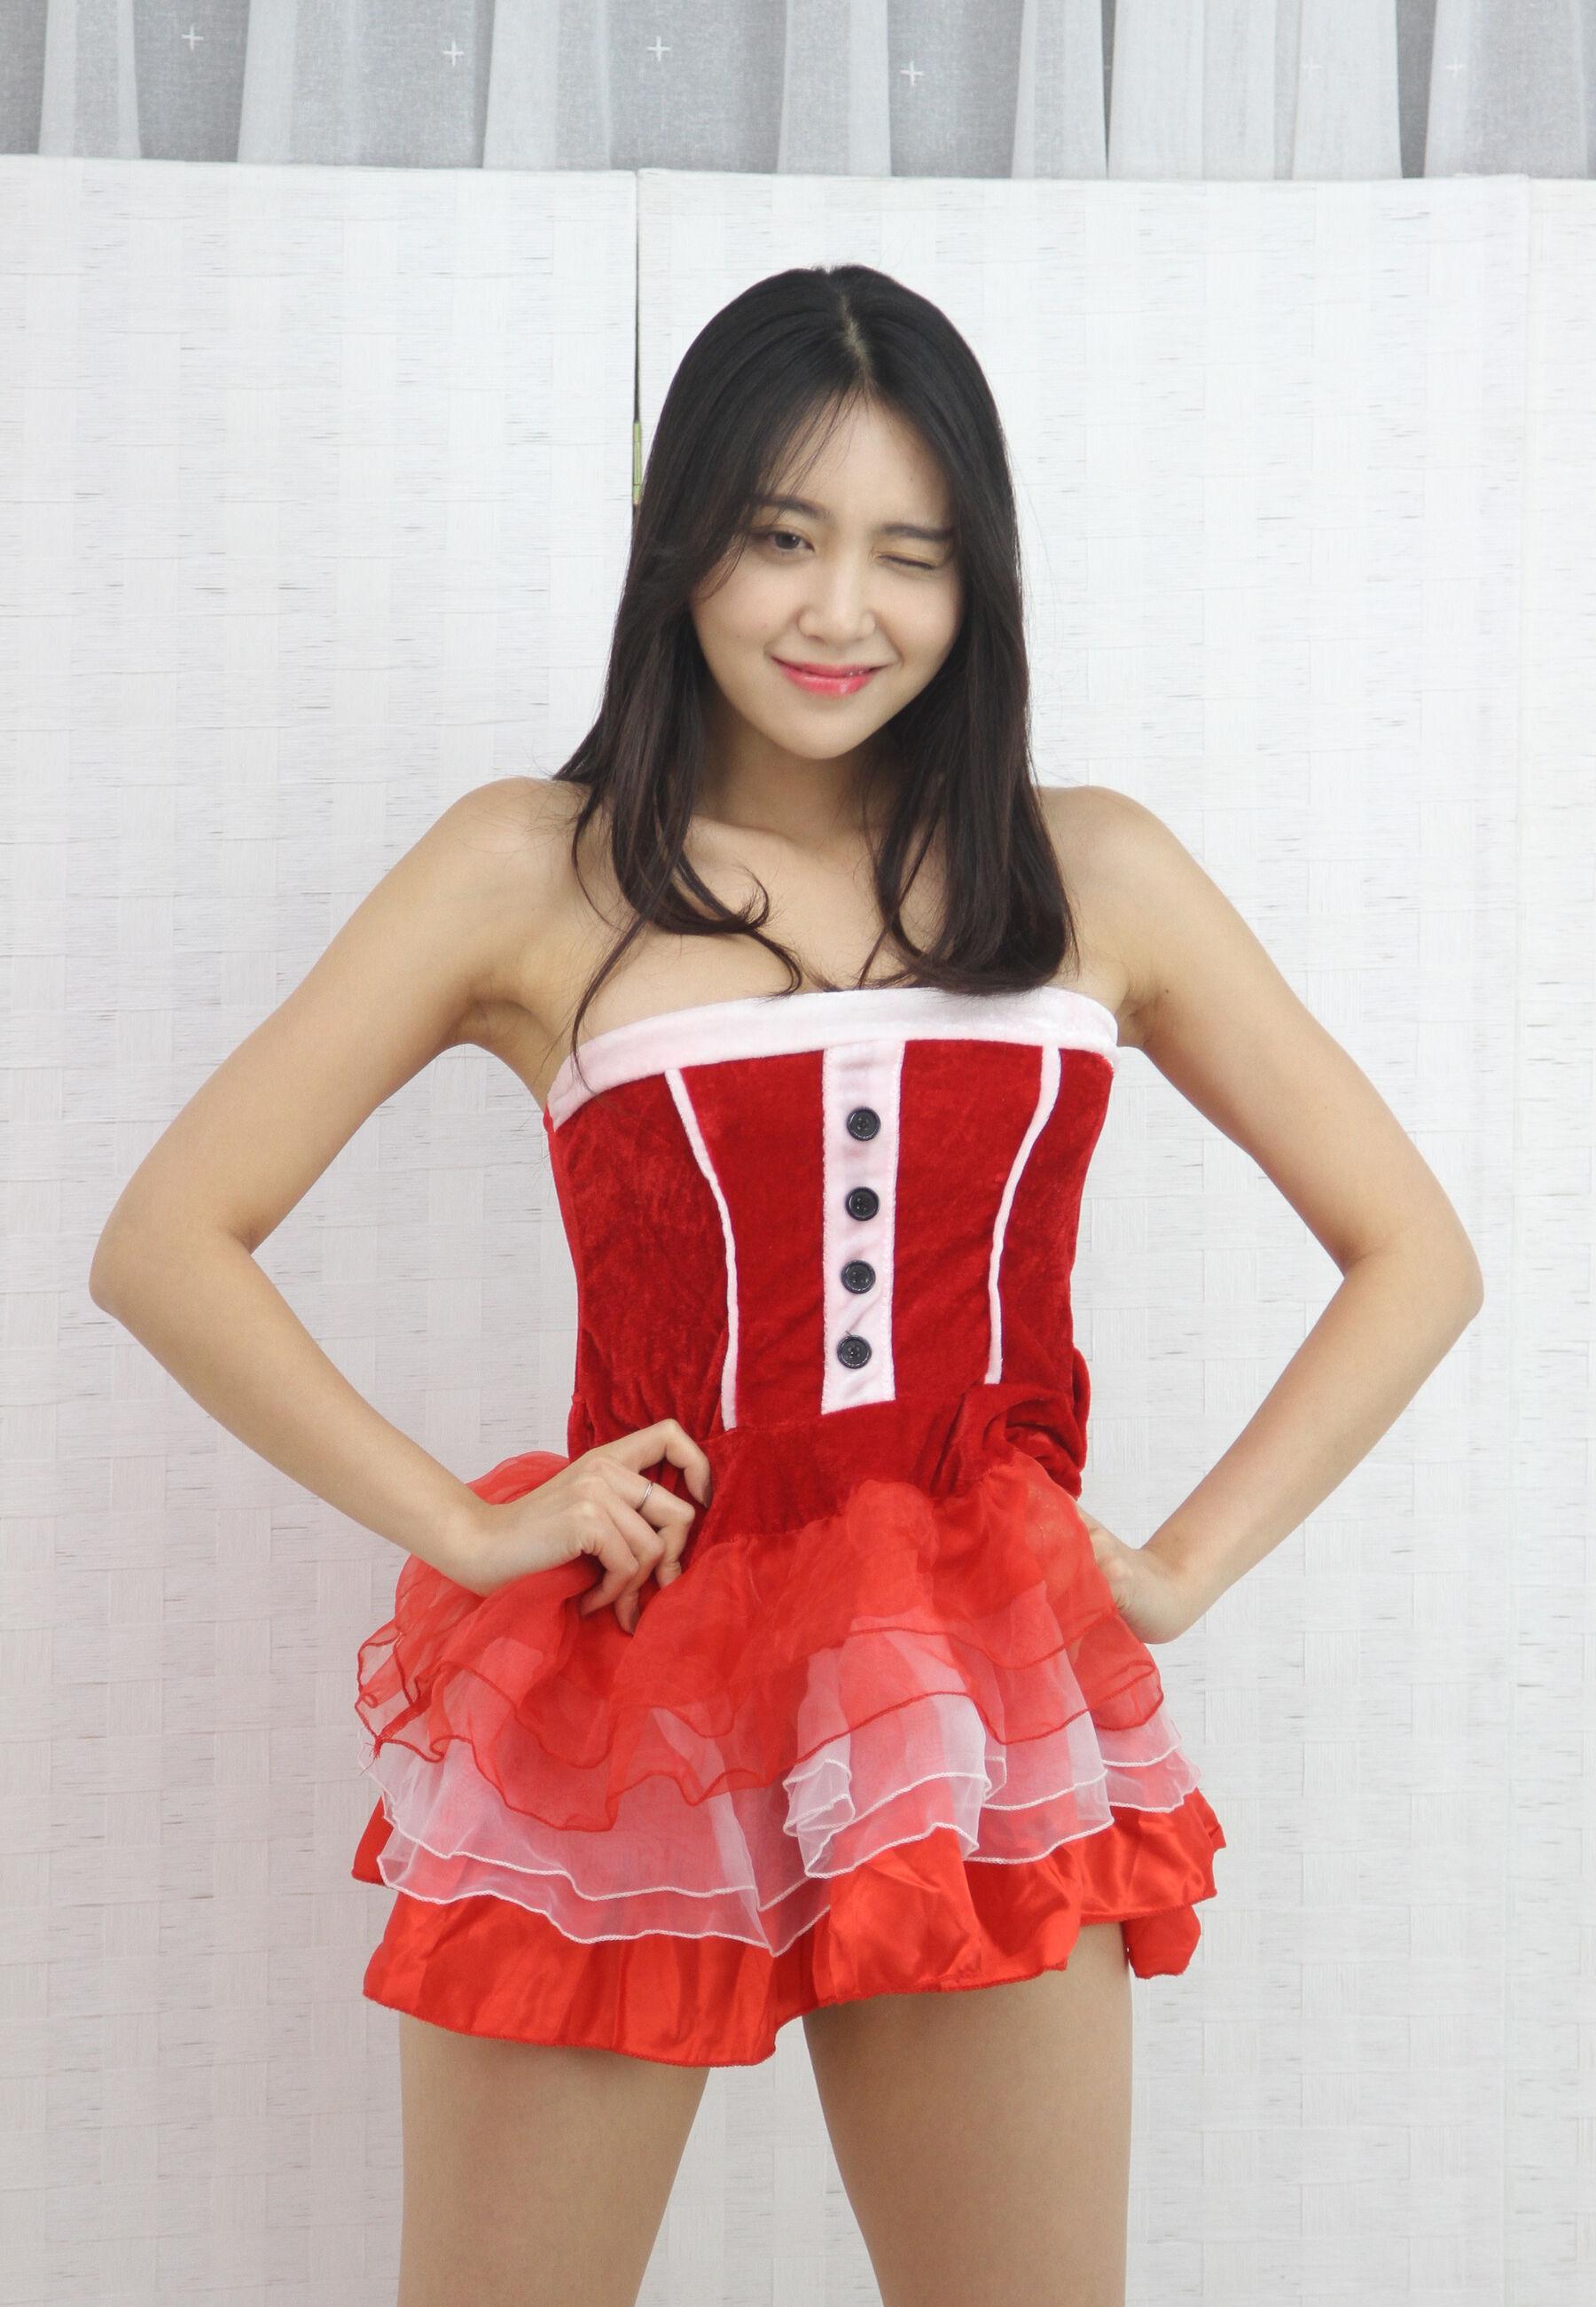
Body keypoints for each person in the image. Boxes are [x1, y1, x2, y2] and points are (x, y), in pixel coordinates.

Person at [89, 265, 1484, 2307]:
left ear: (979, 580)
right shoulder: (528, 867)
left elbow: (1416, 1252)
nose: (844, 610)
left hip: (965, 1707)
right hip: (622, 1680)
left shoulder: (1092, 870)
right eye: (783, 535)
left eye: (912, 552)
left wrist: (1179, 1567)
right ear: (683, 543)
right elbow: (167, 1238)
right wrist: (471, 1524)